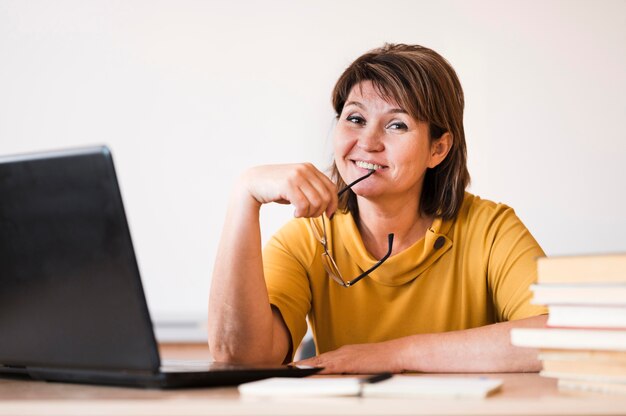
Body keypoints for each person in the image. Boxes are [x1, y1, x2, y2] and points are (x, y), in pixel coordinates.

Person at [207, 43, 548, 374]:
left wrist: (395, 354)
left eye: (396, 124)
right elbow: (239, 358)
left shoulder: (490, 229)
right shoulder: (308, 237)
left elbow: (562, 336)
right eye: (355, 118)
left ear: (438, 149)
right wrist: (244, 196)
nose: (367, 143)